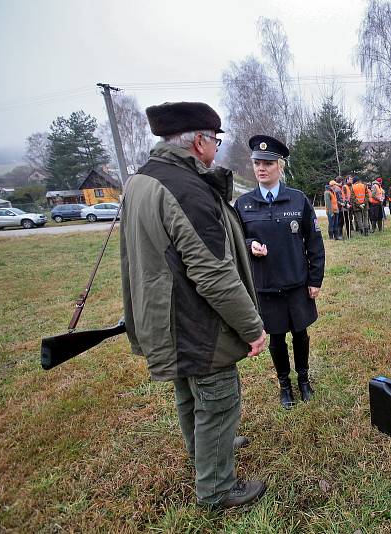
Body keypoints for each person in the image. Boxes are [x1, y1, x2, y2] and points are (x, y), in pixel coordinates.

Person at [121, 102, 268, 509]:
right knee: (218, 399)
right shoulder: (187, 189)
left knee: (188, 392)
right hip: (195, 320)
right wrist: (252, 328)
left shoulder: (143, 179)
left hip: (164, 316)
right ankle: (217, 487)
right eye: (216, 140)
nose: (217, 149)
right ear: (200, 140)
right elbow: (214, 274)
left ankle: (203, 450)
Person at [235, 135, 325, 409]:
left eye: (268, 163)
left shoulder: (297, 200)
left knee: (300, 333)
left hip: (296, 283)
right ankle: (284, 385)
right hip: (265, 286)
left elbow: (314, 242)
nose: (261, 168)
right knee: (276, 337)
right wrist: (251, 245)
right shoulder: (244, 204)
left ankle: (304, 380)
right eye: (257, 163)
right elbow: (236, 240)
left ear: (280, 166)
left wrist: (315, 279)